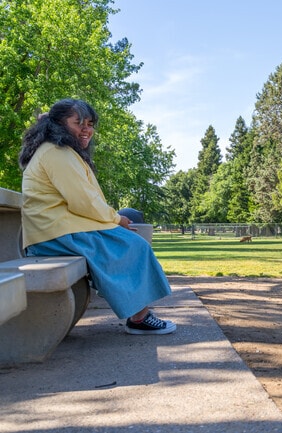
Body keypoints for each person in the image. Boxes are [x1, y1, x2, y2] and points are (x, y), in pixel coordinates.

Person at [18, 98, 176, 335]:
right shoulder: (56, 153)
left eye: (90, 124)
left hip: (58, 229)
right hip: (55, 234)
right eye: (78, 123)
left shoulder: (60, 151)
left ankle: (137, 312)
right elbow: (84, 201)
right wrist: (116, 219)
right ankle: (139, 318)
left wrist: (113, 220)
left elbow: (85, 200)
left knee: (128, 242)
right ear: (58, 124)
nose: (87, 130)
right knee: (133, 245)